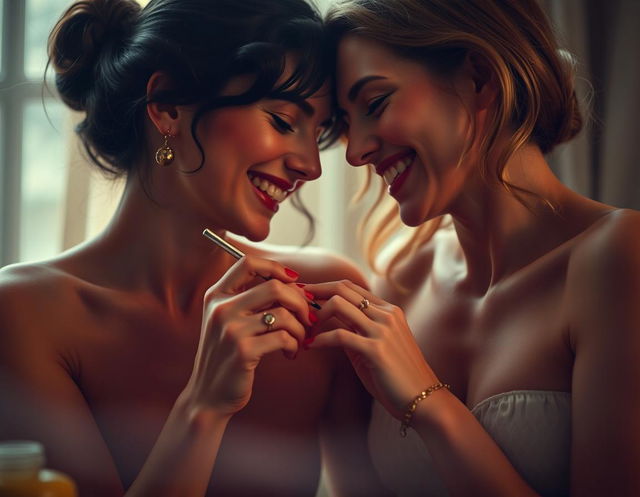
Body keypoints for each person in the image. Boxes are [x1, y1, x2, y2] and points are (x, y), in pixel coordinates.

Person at [0, 1, 387, 496]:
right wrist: (203, 406)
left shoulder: (323, 301)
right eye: (284, 121)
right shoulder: (27, 314)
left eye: (319, 134)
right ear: (166, 106)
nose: (311, 166)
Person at [304, 1, 640, 496]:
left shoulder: (617, 258)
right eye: (346, 123)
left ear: (479, 78)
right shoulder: (401, 279)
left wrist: (428, 403)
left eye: (375, 103)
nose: (355, 152)